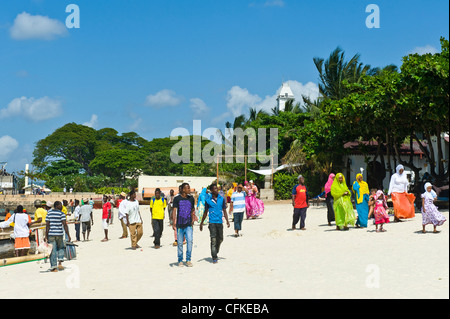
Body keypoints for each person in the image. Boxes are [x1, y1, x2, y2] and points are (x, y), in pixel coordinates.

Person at [200, 184, 230, 264]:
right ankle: (214, 257)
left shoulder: (221, 199)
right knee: (213, 239)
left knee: (220, 239)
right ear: (212, 191)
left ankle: (215, 251)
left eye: (217, 188)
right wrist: (201, 223)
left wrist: (227, 220)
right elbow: (205, 212)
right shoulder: (208, 200)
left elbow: (224, 210)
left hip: (220, 222)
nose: (217, 190)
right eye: (215, 189)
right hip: (212, 222)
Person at [172, 183, 195, 267]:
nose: (189, 189)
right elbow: (174, 210)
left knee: (190, 241)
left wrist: (193, 218)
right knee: (180, 243)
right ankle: (180, 260)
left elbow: (192, 209)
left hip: (188, 224)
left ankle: (188, 260)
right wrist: (174, 221)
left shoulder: (191, 198)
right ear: (183, 189)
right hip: (179, 225)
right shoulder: (177, 199)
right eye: (188, 188)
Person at [45, 201, 71, 272]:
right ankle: (60, 263)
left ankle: (54, 267)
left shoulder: (49, 213)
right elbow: (64, 225)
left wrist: (46, 236)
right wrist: (68, 235)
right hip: (59, 234)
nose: (62, 206)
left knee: (52, 250)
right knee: (60, 247)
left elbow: (47, 225)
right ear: (57, 206)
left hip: (51, 234)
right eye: (60, 205)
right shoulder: (61, 214)